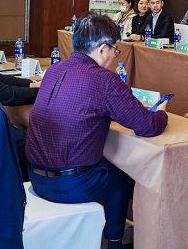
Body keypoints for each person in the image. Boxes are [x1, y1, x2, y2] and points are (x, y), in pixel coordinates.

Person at [26, 13, 168, 249]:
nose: (114, 56)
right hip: (71, 185)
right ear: (103, 48)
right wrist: (161, 112)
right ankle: (115, 242)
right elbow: (148, 127)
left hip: (35, 176)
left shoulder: (53, 70)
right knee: (123, 175)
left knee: (105, 163)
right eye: (115, 50)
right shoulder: (105, 80)